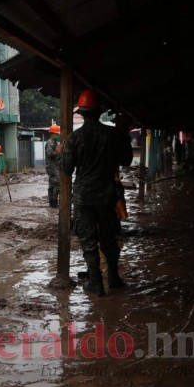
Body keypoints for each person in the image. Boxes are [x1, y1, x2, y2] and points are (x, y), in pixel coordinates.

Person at [60, 89, 133, 296]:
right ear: (100, 110)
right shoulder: (113, 135)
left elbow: (66, 169)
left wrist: (61, 153)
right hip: (106, 196)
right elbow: (126, 161)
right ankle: (114, 277)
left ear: (81, 113)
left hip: (84, 198)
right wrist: (124, 134)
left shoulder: (74, 138)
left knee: (88, 241)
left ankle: (96, 283)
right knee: (108, 237)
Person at [45, 124, 61, 207]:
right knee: (58, 183)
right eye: (57, 134)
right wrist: (58, 153)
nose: (58, 135)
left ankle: (52, 203)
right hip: (52, 166)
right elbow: (49, 153)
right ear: (53, 134)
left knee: (52, 184)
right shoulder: (50, 142)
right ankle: (54, 202)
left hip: (54, 166)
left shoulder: (54, 142)